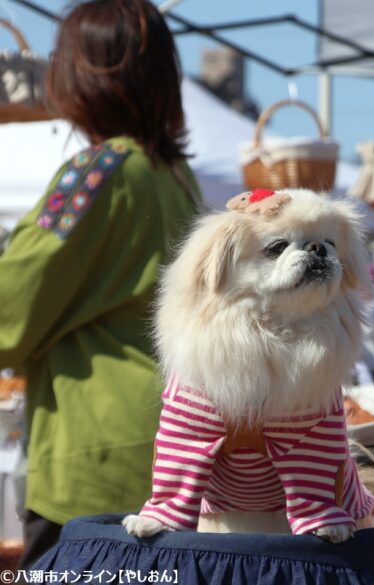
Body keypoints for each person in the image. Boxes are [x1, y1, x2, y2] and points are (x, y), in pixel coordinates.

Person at [0, 0, 202, 568]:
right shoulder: (175, 177)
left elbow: (8, 313)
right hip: (171, 448)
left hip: (93, 460)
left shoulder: (97, 174)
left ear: (81, 77)